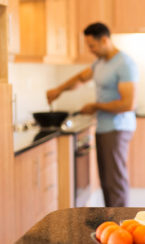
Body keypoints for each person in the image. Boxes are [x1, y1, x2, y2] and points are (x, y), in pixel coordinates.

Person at [46, 22, 138, 207]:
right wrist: (59, 89)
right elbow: (81, 78)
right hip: (104, 127)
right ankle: (110, 223)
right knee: (106, 181)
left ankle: (120, 225)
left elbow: (128, 104)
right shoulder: (100, 63)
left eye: (92, 46)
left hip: (117, 128)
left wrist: (95, 106)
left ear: (104, 40)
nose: (90, 50)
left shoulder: (124, 63)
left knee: (115, 182)